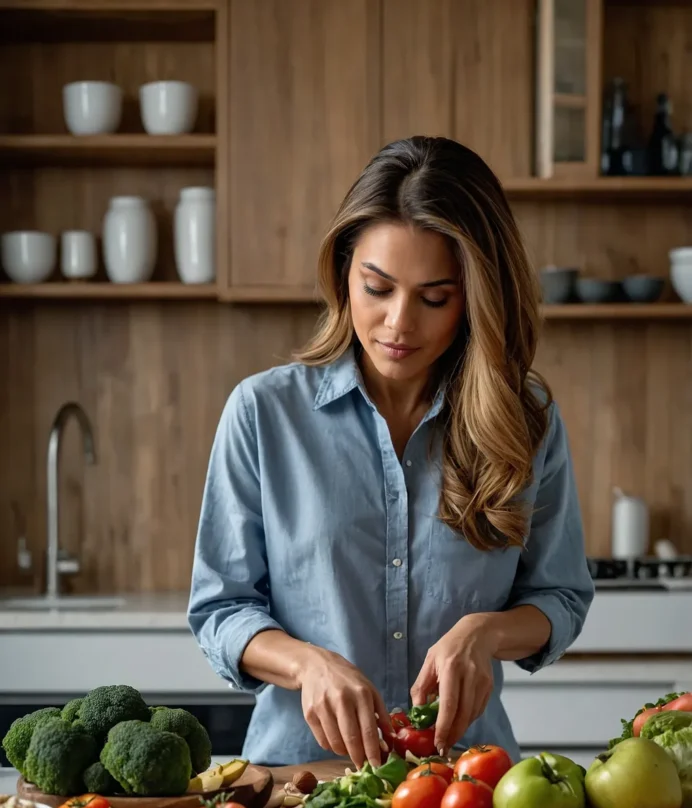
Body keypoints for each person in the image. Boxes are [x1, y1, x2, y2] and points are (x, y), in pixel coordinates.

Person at [188, 136, 594, 769]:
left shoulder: (526, 420)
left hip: (467, 788)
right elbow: (220, 610)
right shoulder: (264, 413)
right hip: (299, 784)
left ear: (477, 298)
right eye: (377, 288)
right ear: (344, 270)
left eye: (435, 298)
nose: (400, 324)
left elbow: (561, 597)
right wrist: (307, 664)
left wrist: (485, 633)